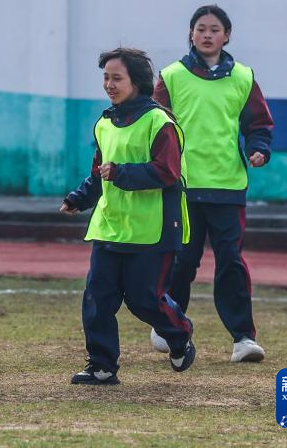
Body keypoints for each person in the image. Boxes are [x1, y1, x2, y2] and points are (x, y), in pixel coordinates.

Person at [61, 47, 194, 385]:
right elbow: (99, 172)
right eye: (106, 77)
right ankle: (102, 366)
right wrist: (79, 198)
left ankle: (179, 334)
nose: (109, 84)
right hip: (110, 225)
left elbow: (168, 172)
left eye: (116, 78)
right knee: (97, 298)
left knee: (144, 300)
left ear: (136, 81)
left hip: (152, 229)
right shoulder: (105, 122)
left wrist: (121, 173)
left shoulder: (159, 122)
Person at [150, 5, 273, 363]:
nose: (207, 35)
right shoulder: (171, 76)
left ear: (227, 35)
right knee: (182, 261)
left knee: (231, 261)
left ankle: (243, 339)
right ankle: (168, 325)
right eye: (201, 28)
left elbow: (258, 124)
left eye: (215, 29)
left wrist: (259, 149)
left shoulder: (244, 77)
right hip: (183, 186)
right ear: (191, 34)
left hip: (228, 185)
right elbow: (154, 125)